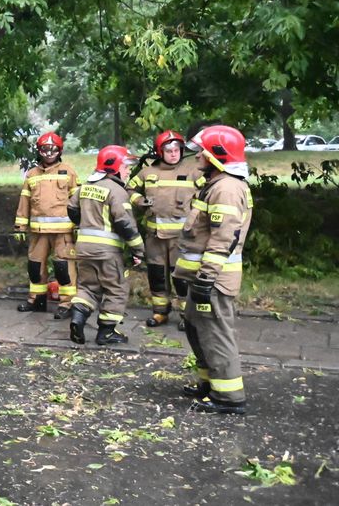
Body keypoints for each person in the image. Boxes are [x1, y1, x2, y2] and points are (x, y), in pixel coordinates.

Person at [172, 125, 253, 415]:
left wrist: (206, 278)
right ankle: (209, 383)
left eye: (202, 152)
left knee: (215, 333)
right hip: (202, 277)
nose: (197, 157)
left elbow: (223, 238)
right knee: (197, 329)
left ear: (217, 155)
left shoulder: (227, 189)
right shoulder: (215, 184)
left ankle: (228, 398)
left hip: (214, 280)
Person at [66, 145, 145, 346]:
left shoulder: (86, 186)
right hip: (108, 252)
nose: (128, 171)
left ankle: (78, 318)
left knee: (87, 287)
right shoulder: (117, 191)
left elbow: (72, 209)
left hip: (84, 249)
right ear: (115, 166)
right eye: (126, 166)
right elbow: (125, 225)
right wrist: (138, 249)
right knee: (116, 288)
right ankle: (107, 332)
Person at [127, 130, 203, 329]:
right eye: (168, 150)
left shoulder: (193, 171)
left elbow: (207, 195)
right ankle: (160, 312)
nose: (173, 153)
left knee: (182, 278)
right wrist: (140, 201)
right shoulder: (148, 173)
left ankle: (187, 316)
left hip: (182, 238)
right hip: (155, 238)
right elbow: (129, 189)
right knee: (157, 276)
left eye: (177, 149)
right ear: (160, 152)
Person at [14, 132, 78, 318]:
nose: (49, 153)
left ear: (59, 151)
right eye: (45, 149)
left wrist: (79, 225)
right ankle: (36, 300)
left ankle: (67, 304)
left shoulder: (69, 172)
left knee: (63, 269)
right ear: (39, 151)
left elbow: (77, 201)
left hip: (63, 232)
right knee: (35, 267)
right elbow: (24, 202)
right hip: (38, 232)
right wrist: (20, 226)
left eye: (53, 149)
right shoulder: (32, 174)